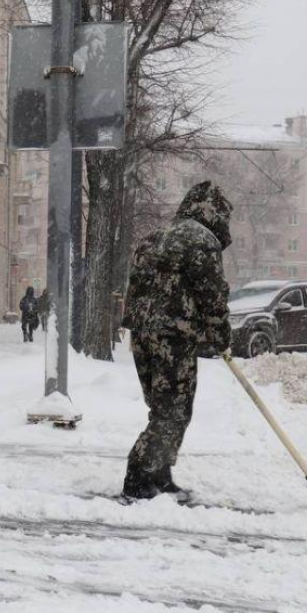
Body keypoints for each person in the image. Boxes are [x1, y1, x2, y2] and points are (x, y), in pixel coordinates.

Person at [120, 181, 233, 501]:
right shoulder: (203, 240)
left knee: (162, 408)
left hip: (142, 334)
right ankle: (138, 475)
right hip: (173, 336)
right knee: (174, 410)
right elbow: (212, 295)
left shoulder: (154, 236)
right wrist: (220, 336)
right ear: (213, 213)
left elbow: (137, 286)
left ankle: (159, 473)